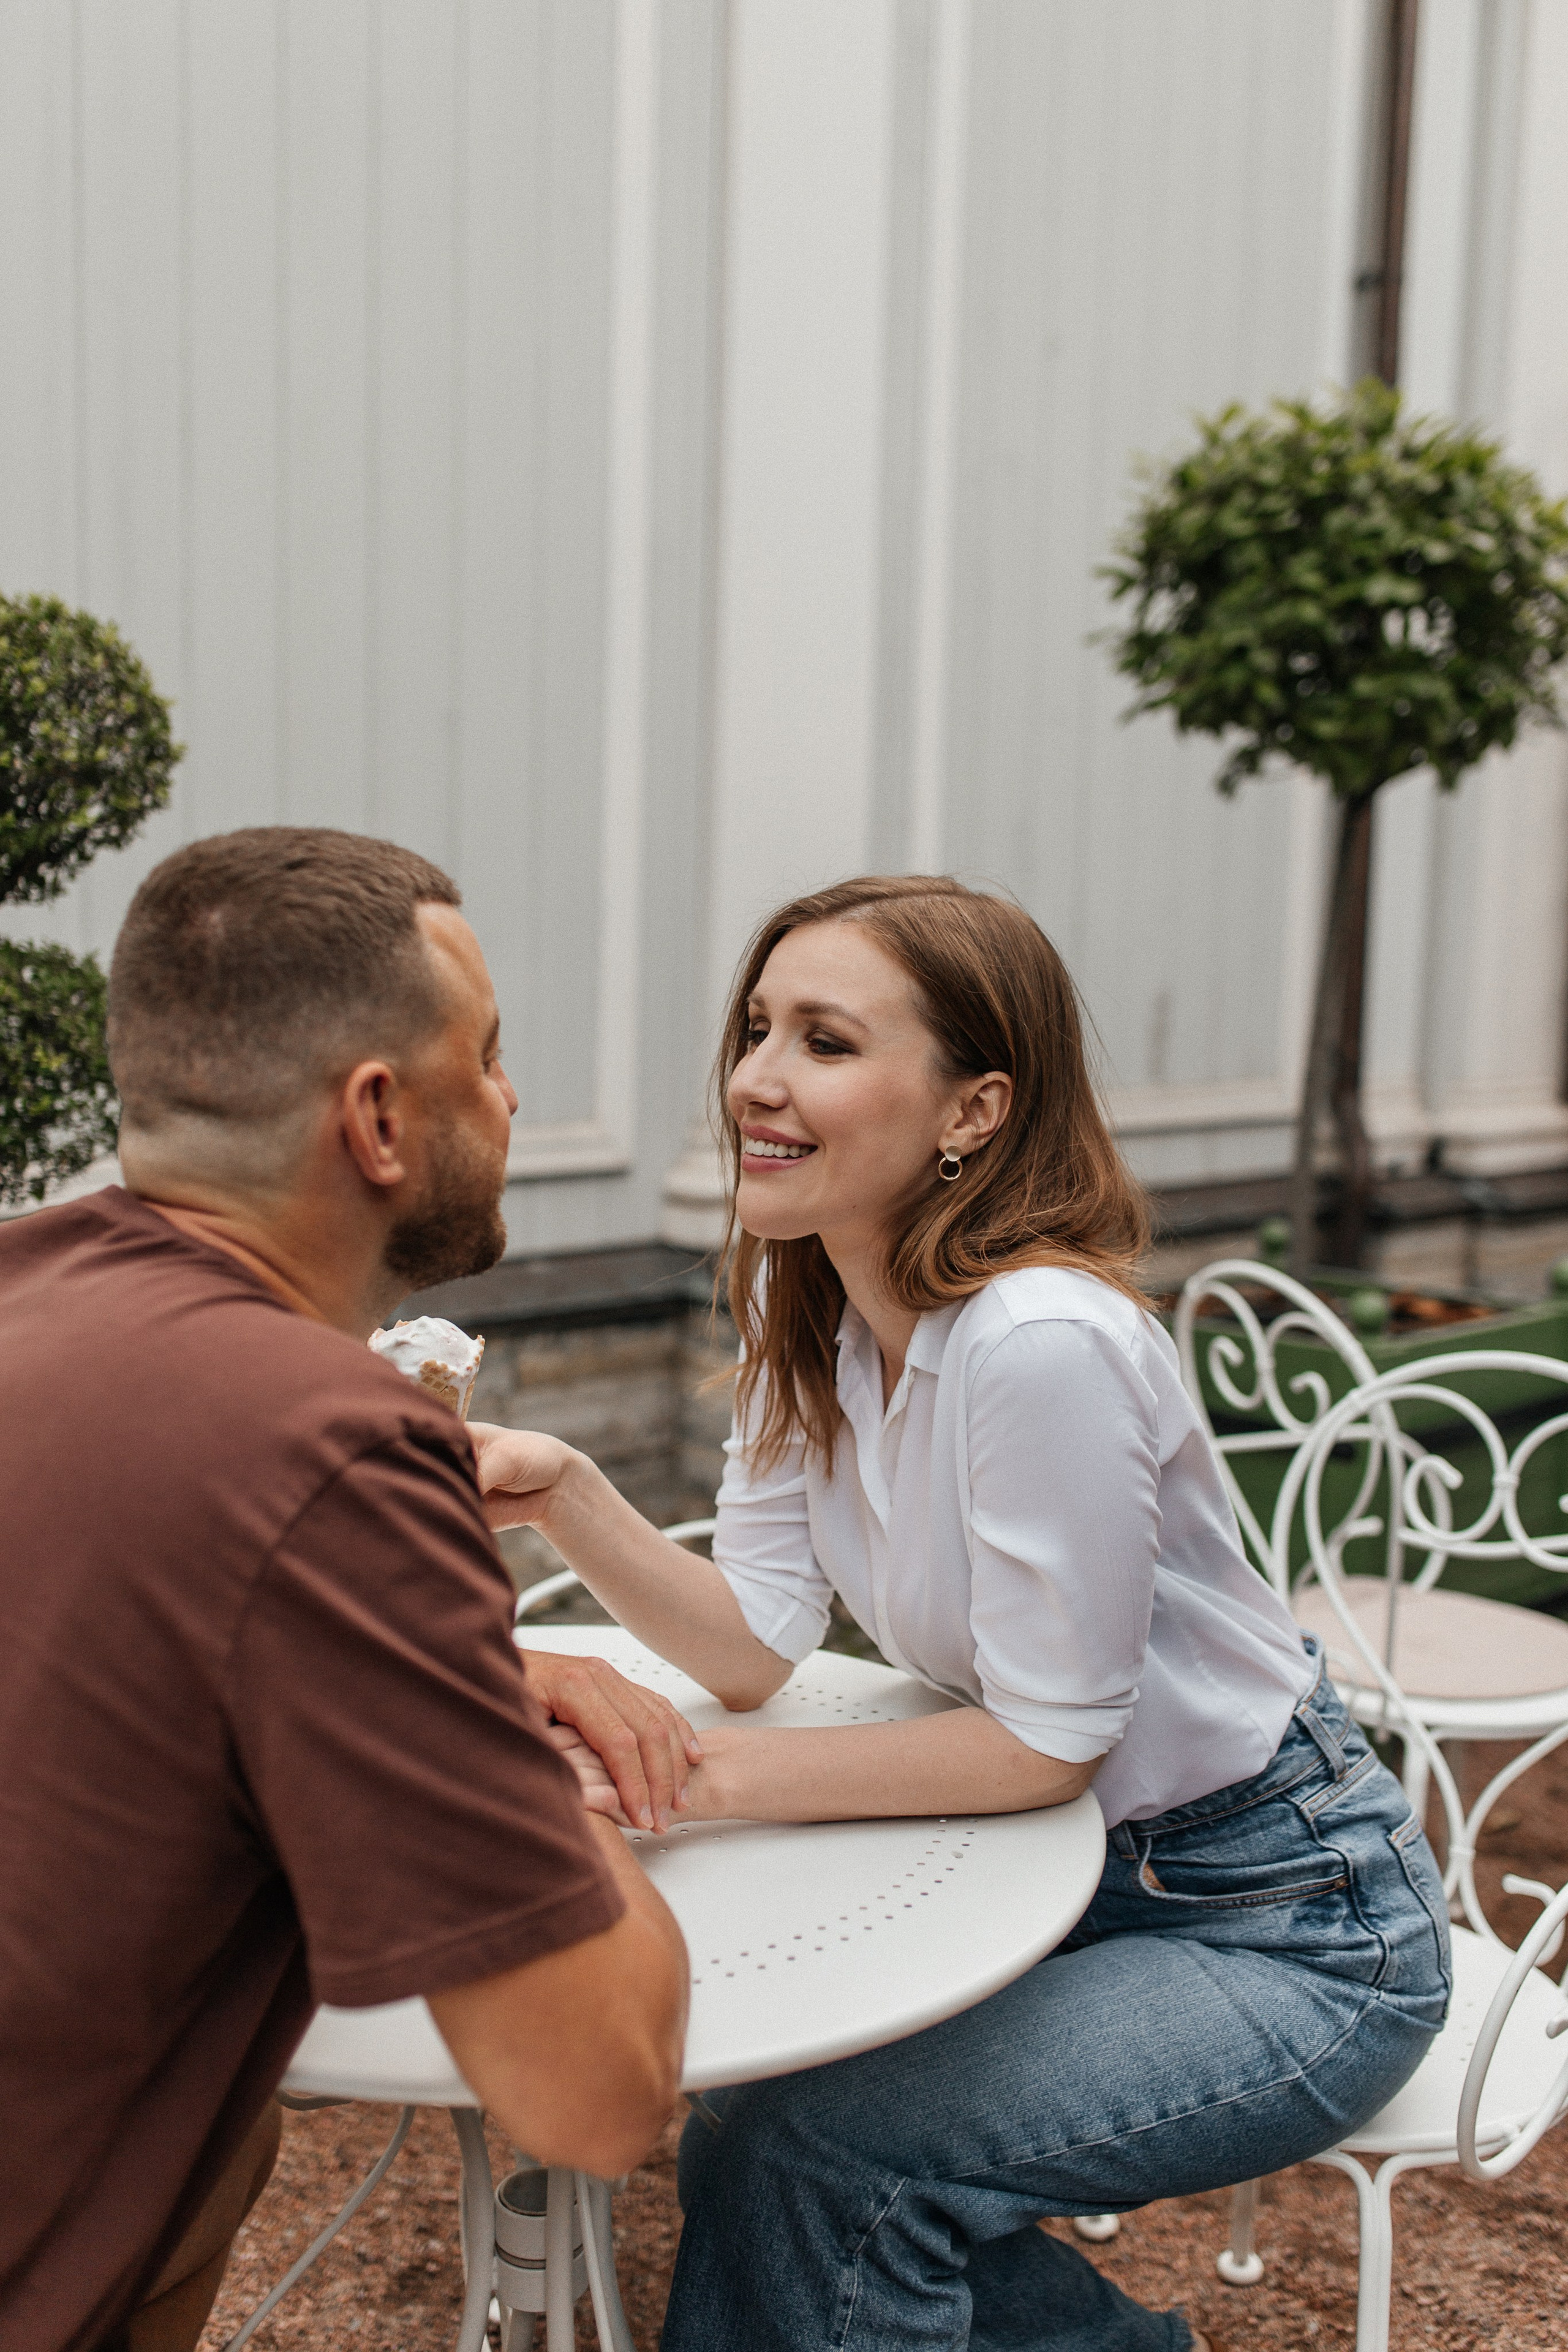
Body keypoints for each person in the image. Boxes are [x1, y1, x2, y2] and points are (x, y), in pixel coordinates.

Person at [478, 875, 1453, 2352]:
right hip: (1068, 1870)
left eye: (823, 1041)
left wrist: (670, 1776)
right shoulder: (803, 1302)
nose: (755, 1078)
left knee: (819, 2150)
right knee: (764, 2113)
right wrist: (559, 1487)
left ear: (971, 1112)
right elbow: (753, 1643)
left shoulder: (1036, 1342)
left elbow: (1046, 1741)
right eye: (757, 1029)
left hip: (1285, 1920)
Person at [0, 828, 690, 2352]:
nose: (510, 1098)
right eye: (489, 1056)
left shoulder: (28, 1287)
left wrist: (459, 1683)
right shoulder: (332, 1444)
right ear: (378, 1118)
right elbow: (591, 2094)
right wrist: (503, 1760)